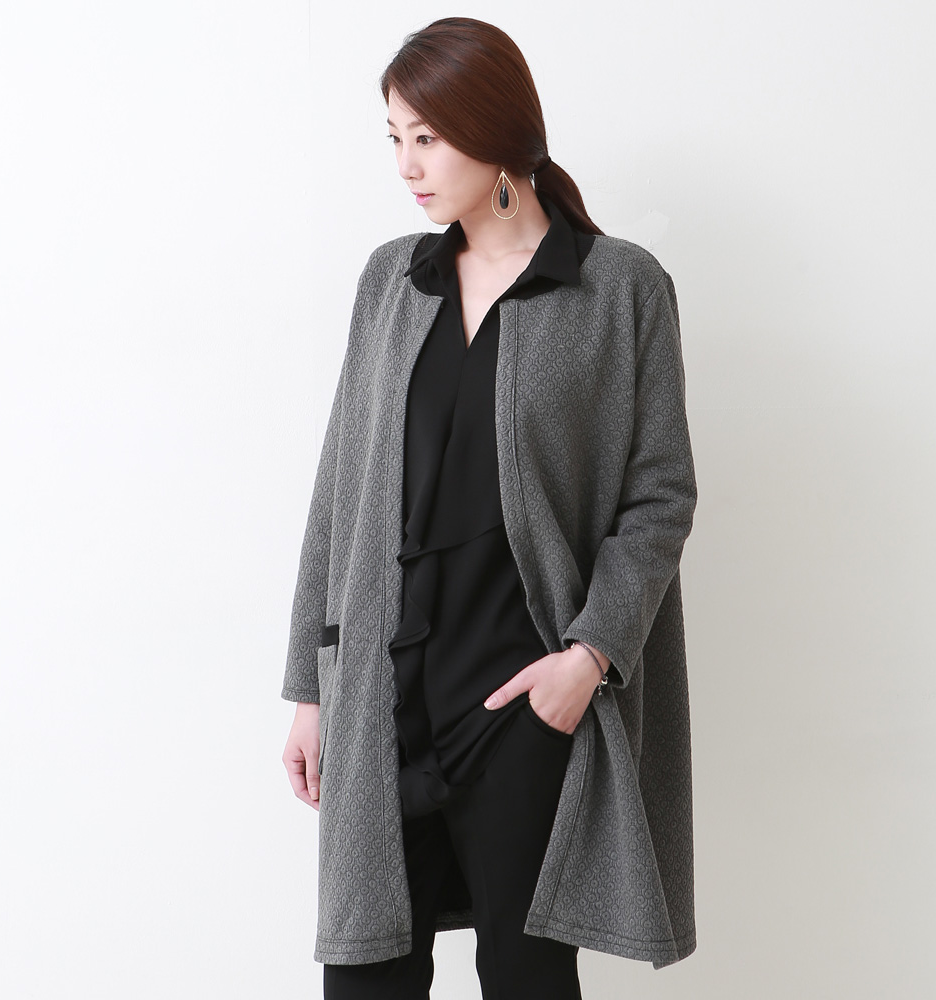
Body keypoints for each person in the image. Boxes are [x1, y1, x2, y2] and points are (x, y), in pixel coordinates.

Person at [282, 16, 699, 999]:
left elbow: (659, 494)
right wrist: (310, 687)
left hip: (522, 702)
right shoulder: (394, 280)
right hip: (386, 697)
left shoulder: (617, 288)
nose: (406, 166)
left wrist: (588, 659)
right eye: (395, 138)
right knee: (364, 977)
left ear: (497, 132)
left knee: (526, 978)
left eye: (427, 137)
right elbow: (340, 486)